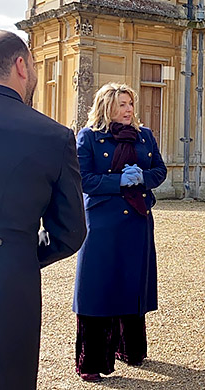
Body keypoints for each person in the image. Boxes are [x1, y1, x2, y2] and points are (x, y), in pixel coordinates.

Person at [0, 30, 87, 390]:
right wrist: (19, 251)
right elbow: (70, 231)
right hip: (9, 284)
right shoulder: (53, 136)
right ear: (21, 66)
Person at [72, 83, 167, 382]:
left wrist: (143, 177)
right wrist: (118, 182)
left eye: (130, 104)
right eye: (122, 104)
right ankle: (93, 360)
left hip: (137, 221)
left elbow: (160, 171)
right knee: (97, 288)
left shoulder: (144, 135)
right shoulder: (88, 137)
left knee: (130, 283)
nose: (129, 110)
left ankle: (130, 349)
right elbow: (84, 179)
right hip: (102, 223)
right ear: (107, 106)